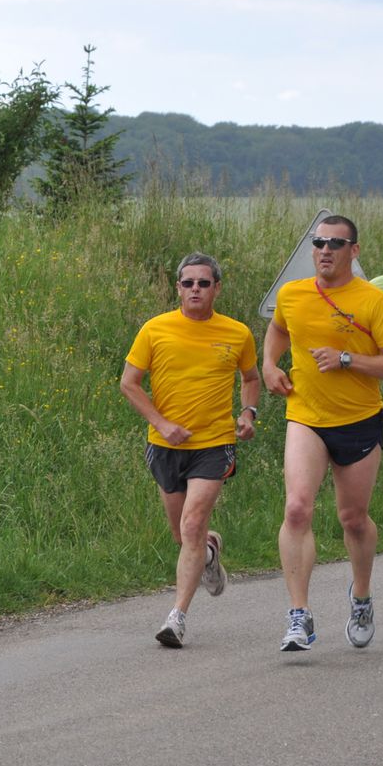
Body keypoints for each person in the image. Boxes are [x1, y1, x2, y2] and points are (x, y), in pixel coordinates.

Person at [263, 215, 383, 651]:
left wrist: (348, 359)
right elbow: (278, 329)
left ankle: (361, 596)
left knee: (353, 518)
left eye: (336, 243)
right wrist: (270, 365)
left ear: (354, 251)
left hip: (359, 419)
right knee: (296, 509)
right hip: (306, 416)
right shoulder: (293, 294)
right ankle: (299, 616)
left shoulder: (374, 302)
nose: (325, 250)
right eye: (319, 242)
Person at [121, 253, 261, 648]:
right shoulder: (155, 329)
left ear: (217, 287)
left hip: (214, 443)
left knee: (192, 525)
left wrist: (248, 413)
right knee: (184, 536)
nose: (195, 289)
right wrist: (162, 424)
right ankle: (210, 554)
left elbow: (251, 377)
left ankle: (176, 618)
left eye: (203, 283)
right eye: (188, 283)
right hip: (165, 445)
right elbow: (129, 383)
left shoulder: (237, 333)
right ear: (178, 288)